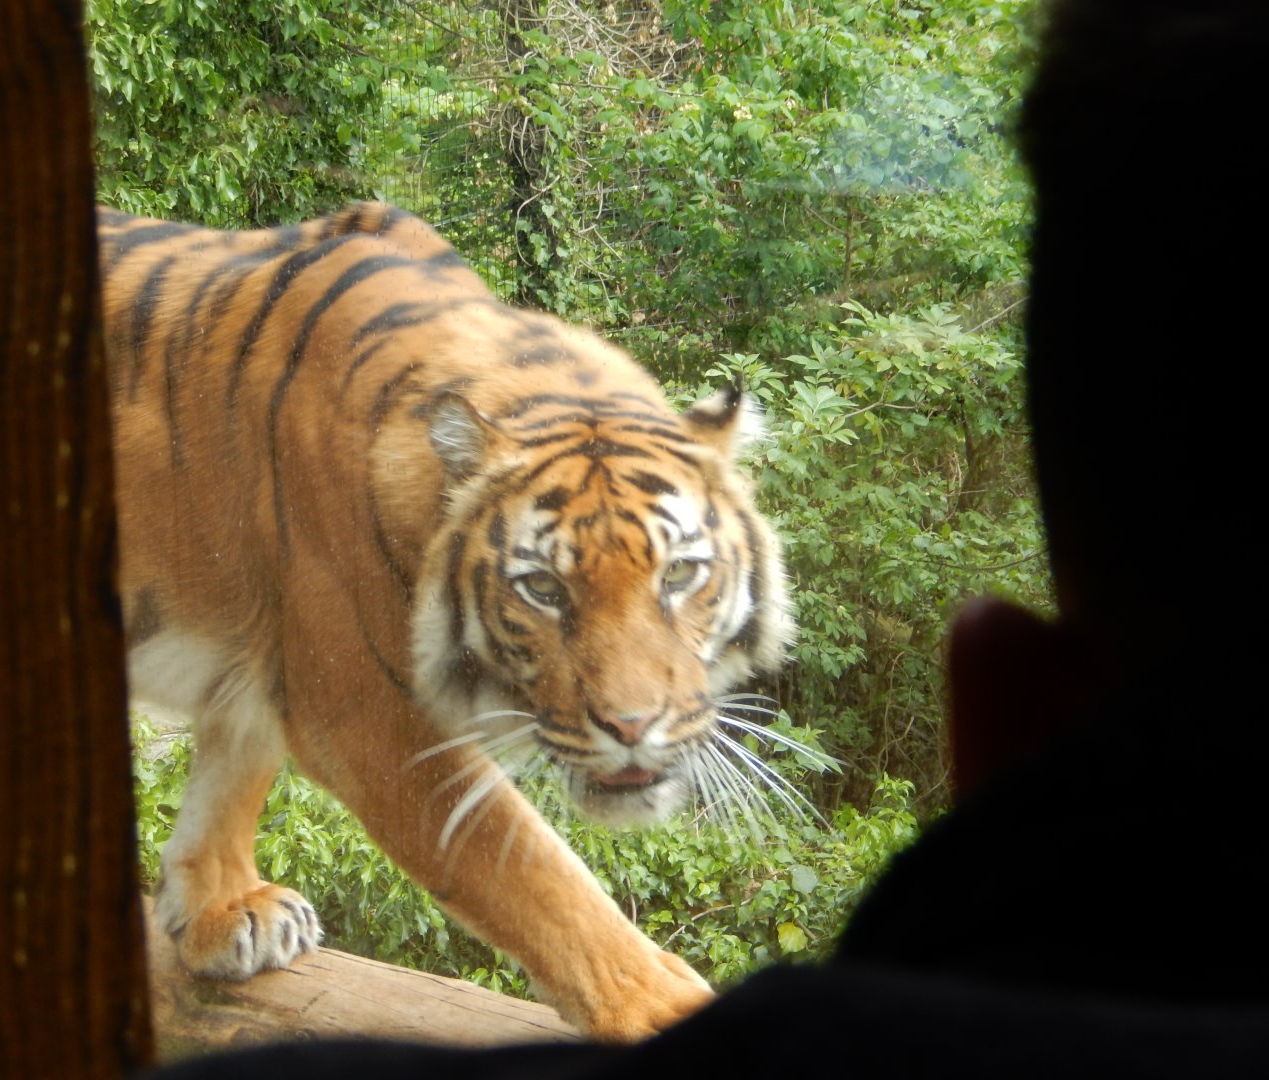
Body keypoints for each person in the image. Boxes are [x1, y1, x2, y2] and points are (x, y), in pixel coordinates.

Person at [149, 2, 1269, 1074]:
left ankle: (209, 873)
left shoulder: (580, 432)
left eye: (685, 579)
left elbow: (301, 658)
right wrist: (658, 1018)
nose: (630, 701)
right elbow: (375, 745)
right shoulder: (366, 441)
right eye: (545, 590)